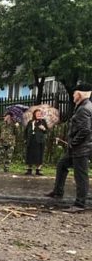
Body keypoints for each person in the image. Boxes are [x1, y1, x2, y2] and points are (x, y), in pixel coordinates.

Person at [47, 82, 92, 211]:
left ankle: (79, 204)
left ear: (79, 94)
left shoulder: (84, 108)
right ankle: (58, 191)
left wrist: (74, 143)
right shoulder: (84, 106)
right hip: (78, 148)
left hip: (81, 148)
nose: (72, 95)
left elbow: (86, 130)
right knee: (62, 165)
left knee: (81, 175)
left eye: (74, 93)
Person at [24, 109, 48, 175]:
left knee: (39, 155)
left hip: (39, 141)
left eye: (40, 114)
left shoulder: (43, 122)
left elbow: (46, 131)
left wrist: (44, 128)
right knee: (30, 154)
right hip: (31, 140)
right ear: (34, 114)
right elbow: (25, 131)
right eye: (37, 113)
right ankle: (29, 169)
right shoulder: (30, 122)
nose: (38, 115)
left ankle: (38, 170)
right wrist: (25, 139)